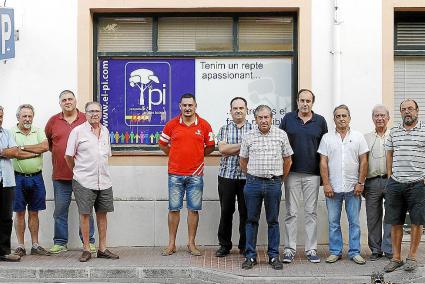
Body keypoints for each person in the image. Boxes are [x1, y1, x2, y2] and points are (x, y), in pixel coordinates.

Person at [159, 93, 215, 257]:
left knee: (193, 210)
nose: (188, 108)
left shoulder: (204, 125)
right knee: (174, 209)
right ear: (180, 106)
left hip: (195, 175)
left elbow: (211, 146)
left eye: (190, 105)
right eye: (185, 105)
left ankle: (191, 243)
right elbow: (162, 144)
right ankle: (171, 244)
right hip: (175, 174)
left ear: (195, 106)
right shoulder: (171, 124)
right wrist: (174, 154)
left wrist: (197, 156)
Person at [239, 105, 293, 270]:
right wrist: (252, 176)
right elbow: (243, 161)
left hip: (273, 183)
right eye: (260, 117)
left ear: (271, 118)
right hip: (253, 183)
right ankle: (250, 256)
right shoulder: (248, 136)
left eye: (266, 117)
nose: (263, 120)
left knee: (273, 221)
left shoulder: (281, 135)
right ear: (255, 119)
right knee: (251, 220)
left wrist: (279, 180)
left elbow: (288, 160)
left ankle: (273, 256)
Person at [65, 101, 118, 262]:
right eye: (91, 111)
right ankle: (86, 248)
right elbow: (68, 156)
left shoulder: (105, 131)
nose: (94, 114)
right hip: (83, 180)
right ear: (85, 113)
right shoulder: (77, 131)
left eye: (97, 111)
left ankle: (102, 248)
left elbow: (106, 155)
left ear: (101, 113)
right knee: (85, 215)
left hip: (104, 180)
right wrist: (77, 172)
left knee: (103, 214)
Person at [279, 89, 328, 263]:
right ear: (297, 101)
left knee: (310, 213)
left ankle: (311, 249)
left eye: (308, 101)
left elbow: (324, 150)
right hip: (291, 173)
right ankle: (290, 249)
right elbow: (280, 144)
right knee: (291, 212)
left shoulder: (320, 121)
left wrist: (325, 177)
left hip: (312, 174)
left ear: (312, 102)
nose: (305, 104)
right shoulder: (288, 119)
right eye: (302, 100)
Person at [45, 90, 96, 254]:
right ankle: (60, 242)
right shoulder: (53, 121)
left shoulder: (85, 118)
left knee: (86, 210)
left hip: (84, 175)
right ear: (60, 103)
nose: (67, 102)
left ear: (75, 101)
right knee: (60, 210)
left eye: (70, 99)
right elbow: (50, 144)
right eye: (64, 100)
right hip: (60, 175)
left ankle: (89, 242)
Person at [318, 104, 368, 265]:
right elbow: (323, 162)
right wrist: (326, 184)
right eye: (338, 116)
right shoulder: (327, 138)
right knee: (333, 222)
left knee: (354, 222)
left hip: (353, 188)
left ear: (349, 118)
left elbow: (364, 161)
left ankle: (354, 252)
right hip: (333, 187)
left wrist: (361, 182)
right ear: (334, 119)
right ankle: (335, 252)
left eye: (344, 115)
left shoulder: (359, 136)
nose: (341, 119)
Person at [384, 99, 425, 273]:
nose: (407, 112)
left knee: (417, 221)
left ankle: (412, 257)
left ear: (417, 111)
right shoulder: (394, 131)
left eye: (410, 109)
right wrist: (389, 175)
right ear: (400, 112)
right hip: (396, 183)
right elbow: (389, 154)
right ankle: (396, 258)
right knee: (395, 221)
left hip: (418, 183)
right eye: (403, 109)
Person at [11, 104, 50, 257]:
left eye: (30, 116)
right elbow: (15, 153)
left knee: (34, 212)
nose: (27, 119)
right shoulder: (11, 132)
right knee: (19, 212)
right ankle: (21, 245)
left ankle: (35, 244)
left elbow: (45, 147)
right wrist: (34, 152)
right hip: (18, 178)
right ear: (18, 118)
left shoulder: (38, 130)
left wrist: (23, 147)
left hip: (36, 177)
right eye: (24, 116)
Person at [215, 97, 252, 257]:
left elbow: (254, 150)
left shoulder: (254, 129)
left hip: (247, 178)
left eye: (241, 108)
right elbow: (223, 150)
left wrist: (233, 148)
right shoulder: (224, 129)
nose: (238, 111)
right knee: (226, 211)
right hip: (226, 177)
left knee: (246, 213)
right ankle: (224, 245)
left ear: (246, 110)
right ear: (230, 111)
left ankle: (244, 246)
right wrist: (244, 146)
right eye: (235, 108)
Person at [363, 105, 392, 261]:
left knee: (391, 217)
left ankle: (389, 249)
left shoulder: (394, 135)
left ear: (388, 117)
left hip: (391, 181)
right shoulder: (366, 137)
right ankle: (375, 249)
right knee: (372, 217)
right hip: (372, 182)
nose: (379, 118)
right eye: (376, 116)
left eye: (382, 115)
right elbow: (361, 161)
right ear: (372, 118)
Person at [0, 106, 21, 262]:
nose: (0, 119)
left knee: (6, 217)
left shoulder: (7, 133)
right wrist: (4, 151)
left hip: (6, 181)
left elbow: (15, 152)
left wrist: (4, 151)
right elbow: (9, 151)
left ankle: (4, 252)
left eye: (1, 116)